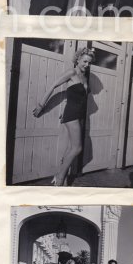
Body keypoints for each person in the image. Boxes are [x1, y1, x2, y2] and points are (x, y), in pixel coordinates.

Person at [33, 47, 95, 186]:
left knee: (71, 148)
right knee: (77, 148)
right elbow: (53, 85)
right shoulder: (71, 72)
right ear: (78, 59)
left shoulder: (84, 77)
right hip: (72, 113)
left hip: (80, 114)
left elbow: (81, 98)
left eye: (89, 63)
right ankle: (59, 178)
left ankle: (61, 174)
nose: (87, 65)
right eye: (85, 61)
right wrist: (41, 105)